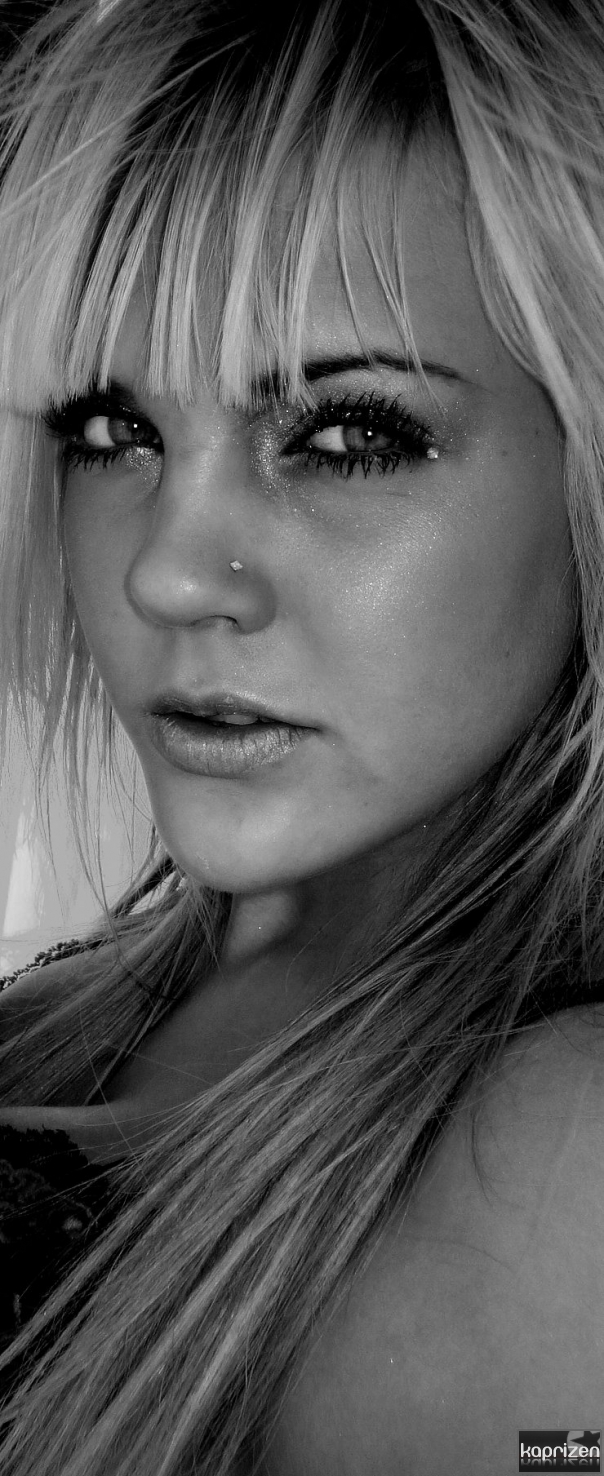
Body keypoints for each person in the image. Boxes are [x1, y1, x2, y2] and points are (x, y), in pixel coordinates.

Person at [0, 0, 602, 1470]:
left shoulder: (562, 1168)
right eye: (113, 432)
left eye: (347, 438)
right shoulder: (92, 997)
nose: (164, 572)